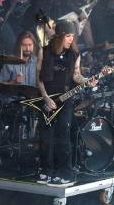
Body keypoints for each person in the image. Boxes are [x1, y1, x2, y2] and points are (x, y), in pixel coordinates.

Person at [36, 20, 97, 187]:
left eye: (73, 36)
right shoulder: (45, 52)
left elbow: (76, 76)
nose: (71, 39)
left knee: (63, 133)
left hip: (65, 99)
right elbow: (39, 78)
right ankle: (46, 170)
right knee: (46, 136)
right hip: (46, 98)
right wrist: (46, 98)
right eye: (68, 36)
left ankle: (66, 173)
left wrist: (87, 80)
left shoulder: (74, 55)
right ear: (60, 35)